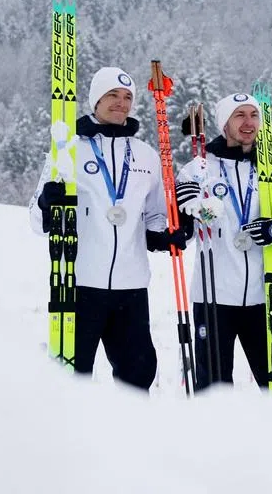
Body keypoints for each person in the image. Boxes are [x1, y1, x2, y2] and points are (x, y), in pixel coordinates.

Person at [29, 67, 192, 389]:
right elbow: (36, 219)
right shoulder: (68, 150)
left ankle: (131, 436)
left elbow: (155, 215)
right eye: (112, 96)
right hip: (80, 283)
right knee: (72, 376)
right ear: (95, 100)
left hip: (130, 288)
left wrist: (165, 234)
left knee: (138, 374)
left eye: (128, 97)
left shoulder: (146, 155)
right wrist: (49, 202)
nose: (121, 103)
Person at [173, 93, 272, 389]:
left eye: (253, 116)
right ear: (225, 123)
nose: (249, 123)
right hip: (213, 296)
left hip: (265, 295)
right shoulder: (199, 168)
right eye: (240, 116)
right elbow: (183, 232)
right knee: (214, 386)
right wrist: (185, 211)